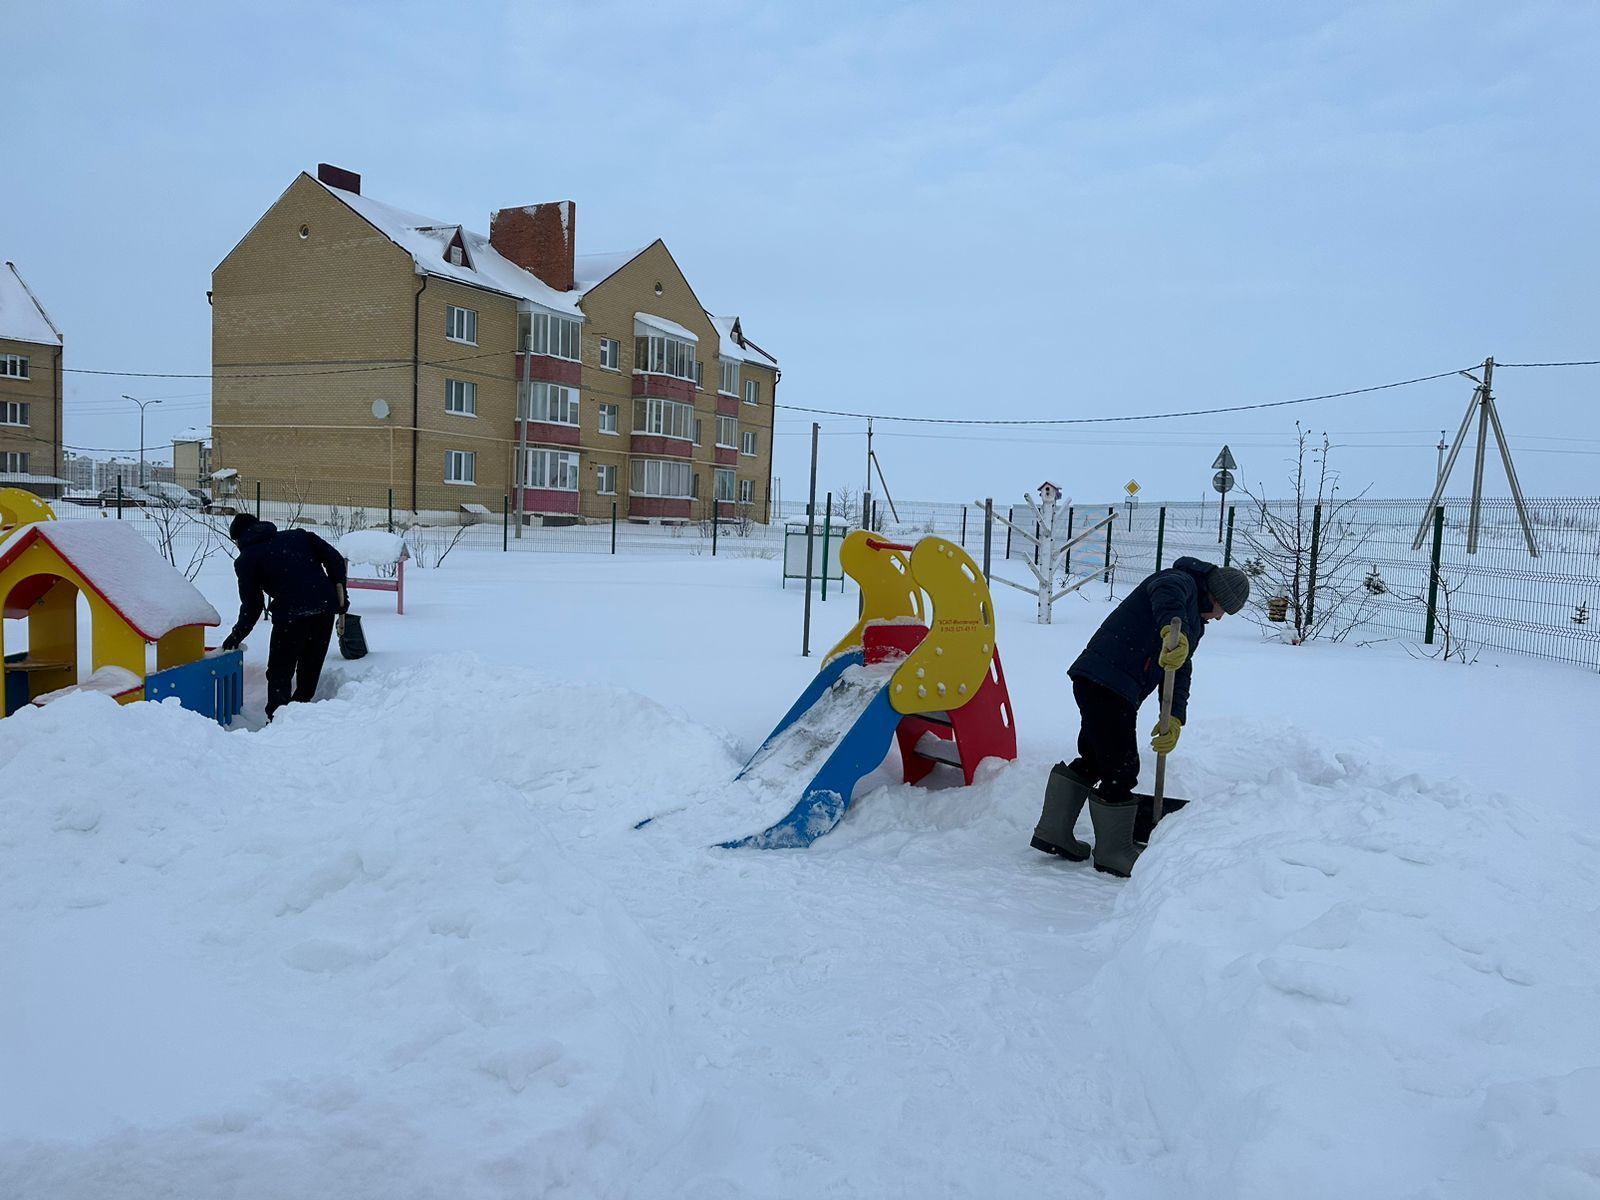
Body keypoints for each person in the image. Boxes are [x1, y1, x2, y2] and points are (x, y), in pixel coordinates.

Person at [1030, 557, 1250, 877]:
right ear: (1213, 595)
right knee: (1122, 767)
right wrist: (1169, 627)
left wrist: (1174, 717)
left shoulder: (1195, 623)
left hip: (1105, 681)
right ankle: (1113, 852)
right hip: (1108, 680)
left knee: (1095, 757)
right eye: (1222, 610)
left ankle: (1053, 831)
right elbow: (1166, 591)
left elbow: (1180, 669)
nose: (1219, 617)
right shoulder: (1181, 582)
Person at [220, 513, 348, 721]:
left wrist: (236, 636)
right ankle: (301, 711)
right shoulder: (300, 536)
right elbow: (334, 559)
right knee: (310, 665)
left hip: (291, 618)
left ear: (238, 538)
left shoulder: (247, 559)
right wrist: (340, 593)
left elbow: (252, 606)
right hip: (324, 608)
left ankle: (278, 719)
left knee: (280, 671)